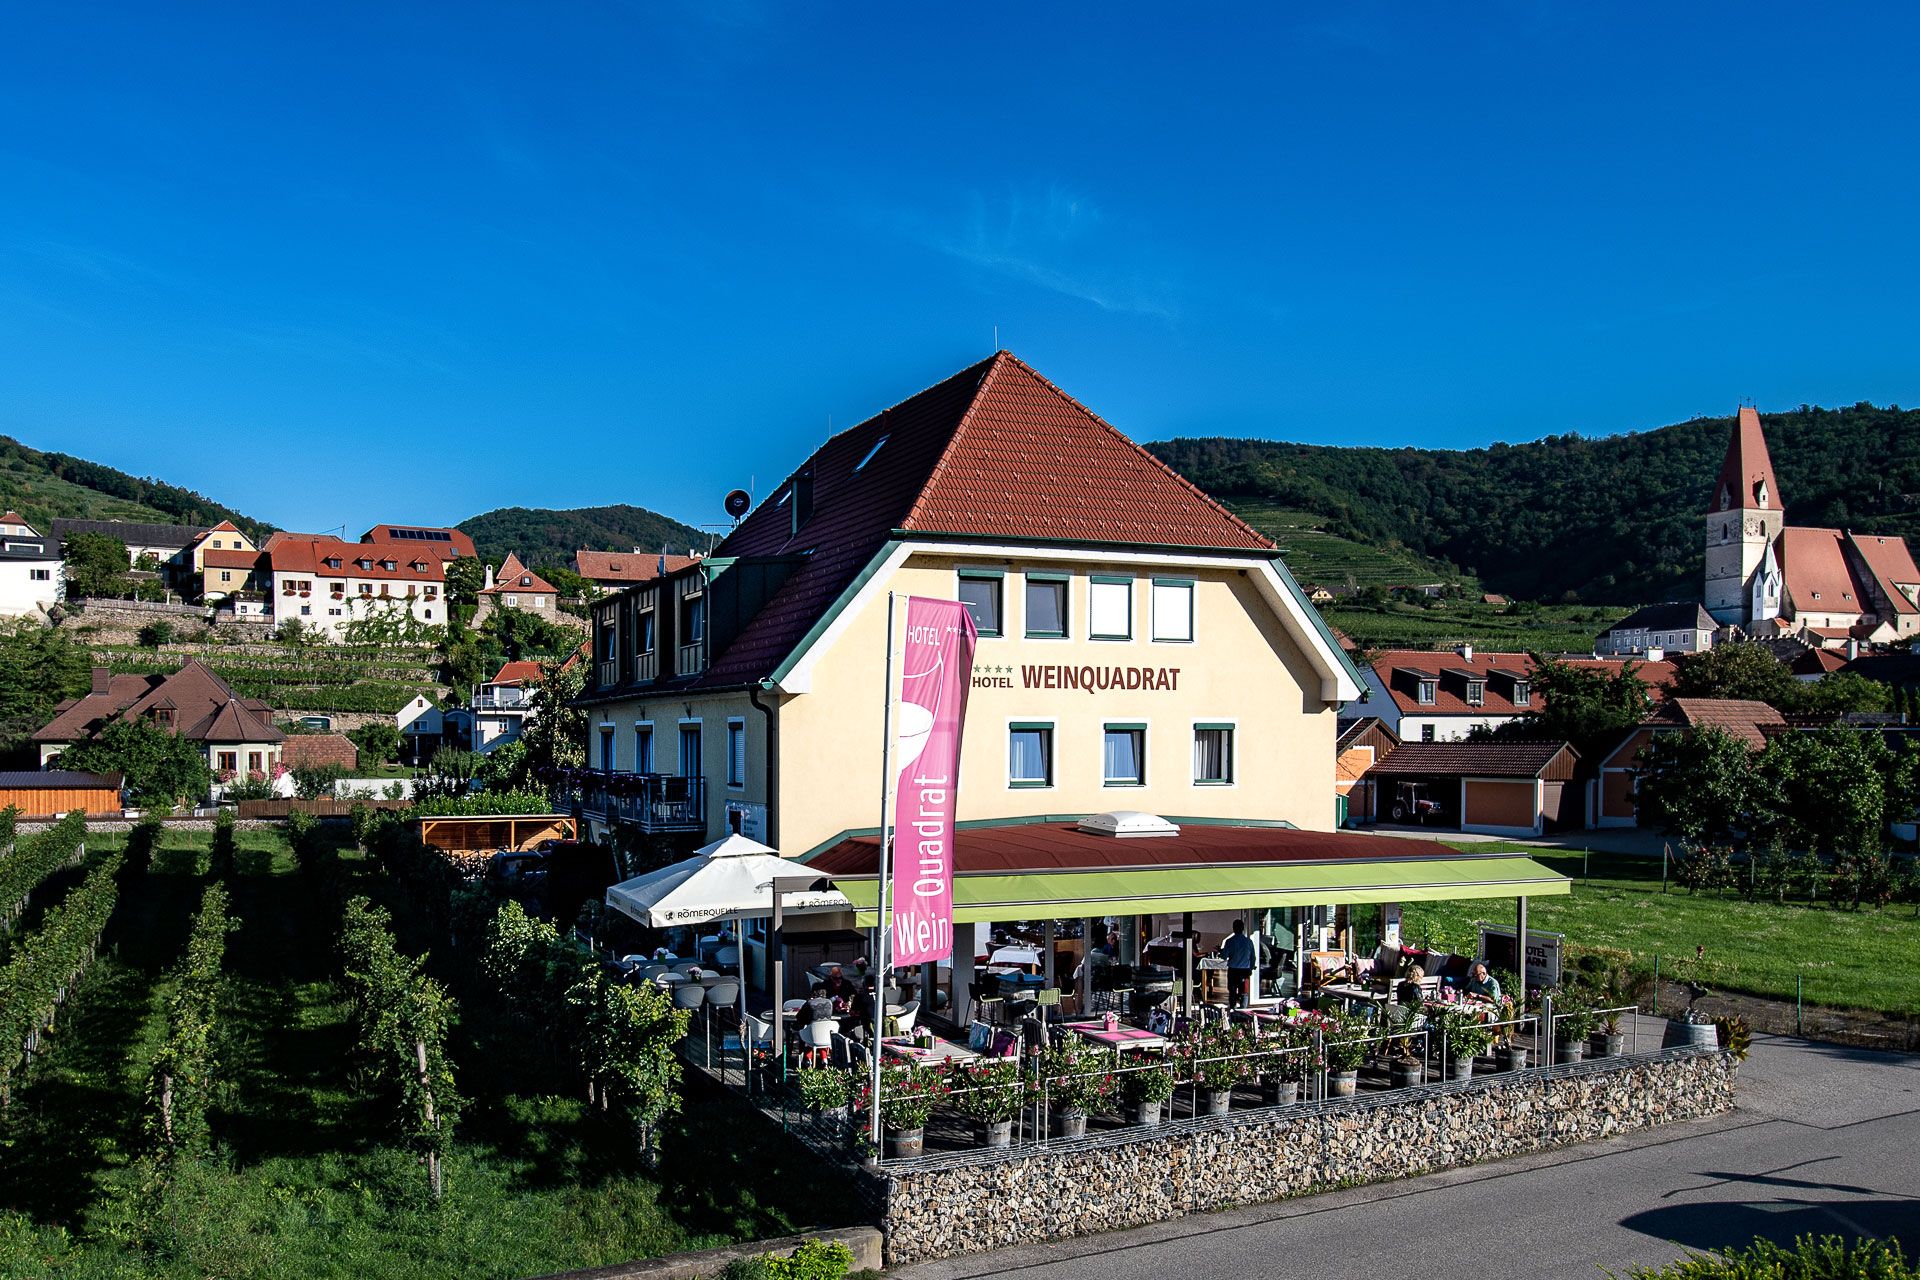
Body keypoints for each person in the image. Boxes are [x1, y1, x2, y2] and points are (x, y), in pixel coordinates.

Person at [1221, 919, 1257, 1009]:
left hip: (1233, 970)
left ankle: (1232, 1009)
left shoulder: (1229, 941)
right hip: (1245, 970)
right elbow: (1253, 957)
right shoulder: (1249, 942)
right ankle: (1243, 1011)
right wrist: (1251, 968)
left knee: (1232, 992)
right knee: (1244, 992)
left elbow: (1224, 956)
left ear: (1233, 928)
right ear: (1243, 928)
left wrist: (1221, 951)